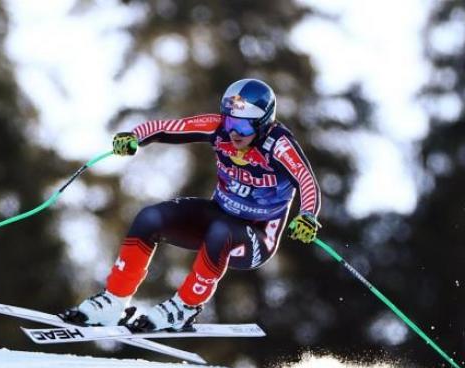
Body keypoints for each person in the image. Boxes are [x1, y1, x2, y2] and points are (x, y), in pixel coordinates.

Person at [59, 78, 322, 332]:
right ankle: (114, 301)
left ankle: (185, 306)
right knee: (150, 218)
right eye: (230, 121)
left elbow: (306, 180)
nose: (234, 132)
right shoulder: (218, 127)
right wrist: (134, 137)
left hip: (257, 237)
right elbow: (170, 127)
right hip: (220, 213)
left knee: (222, 232)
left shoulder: (279, 145)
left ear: (264, 124)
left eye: (244, 127)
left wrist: (308, 215)